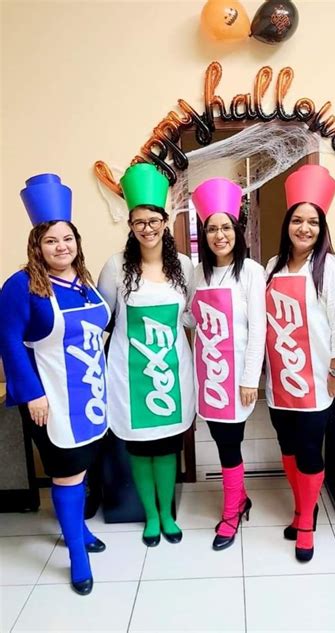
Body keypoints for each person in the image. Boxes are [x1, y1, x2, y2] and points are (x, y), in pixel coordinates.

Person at [0, 174, 110, 595]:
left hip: (89, 395)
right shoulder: (21, 286)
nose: (61, 247)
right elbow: (8, 340)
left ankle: (78, 530)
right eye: (51, 241)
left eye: (67, 239)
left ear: (77, 242)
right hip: (52, 399)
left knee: (81, 466)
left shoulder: (84, 284)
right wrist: (32, 394)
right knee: (66, 474)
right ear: (36, 246)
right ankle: (77, 557)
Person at [98, 163, 195, 548]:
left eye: (153, 220)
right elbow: (104, 317)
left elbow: (189, 314)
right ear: (131, 226)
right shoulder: (116, 267)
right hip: (132, 370)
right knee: (139, 444)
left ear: (165, 222)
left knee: (168, 441)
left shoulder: (184, 267)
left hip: (170, 369)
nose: (147, 228)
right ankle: (151, 516)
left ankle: (168, 513)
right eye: (139, 222)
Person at [265, 164, 335, 562]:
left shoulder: (332, 269)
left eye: (313, 222)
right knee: (287, 448)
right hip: (279, 383)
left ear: (322, 229)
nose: (305, 228)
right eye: (298, 220)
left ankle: (305, 522)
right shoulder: (271, 267)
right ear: (288, 224)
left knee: (309, 452)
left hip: (316, 382)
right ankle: (304, 505)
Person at [191, 178, 266, 551]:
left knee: (229, 443)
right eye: (212, 228)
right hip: (209, 372)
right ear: (204, 234)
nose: (219, 235)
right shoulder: (197, 273)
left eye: (225, 227)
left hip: (236, 374)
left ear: (237, 230)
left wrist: (250, 377)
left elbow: (259, 329)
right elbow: (189, 319)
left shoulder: (251, 271)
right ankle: (241, 498)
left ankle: (231, 513)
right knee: (220, 438)